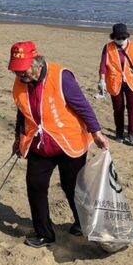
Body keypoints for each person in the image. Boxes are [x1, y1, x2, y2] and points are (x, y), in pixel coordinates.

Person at [8, 41, 110, 248]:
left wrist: (96, 133)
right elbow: (23, 111)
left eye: (24, 70)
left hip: (68, 143)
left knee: (72, 186)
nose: (21, 76)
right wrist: (18, 138)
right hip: (39, 144)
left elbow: (83, 106)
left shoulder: (61, 77)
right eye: (16, 72)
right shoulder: (21, 83)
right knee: (35, 185)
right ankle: (44, 233)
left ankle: (82, 223)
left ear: (36, 62)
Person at [98, 23, 133, 146]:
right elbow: (103, 66)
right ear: (113, 37)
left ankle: (132, 133)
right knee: (118, 109)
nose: (120, 40)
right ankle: (119, 133)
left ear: (126, 36)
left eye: (123, 38)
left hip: (131, 81)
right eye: (118, 38)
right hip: (115, 82)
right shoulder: (108, 48)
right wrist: (101, 80)